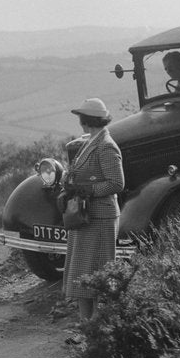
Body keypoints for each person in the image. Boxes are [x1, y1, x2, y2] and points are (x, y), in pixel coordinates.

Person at [59, 98, 125, 323]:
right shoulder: (91, 141)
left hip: (100, 216)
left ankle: (96, 325)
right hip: (86, 217)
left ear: (86, 119)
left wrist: (86, 189)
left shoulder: (106, 146)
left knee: (95, 273)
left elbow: (116, 183)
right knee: (82, 273)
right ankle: (87, 324)